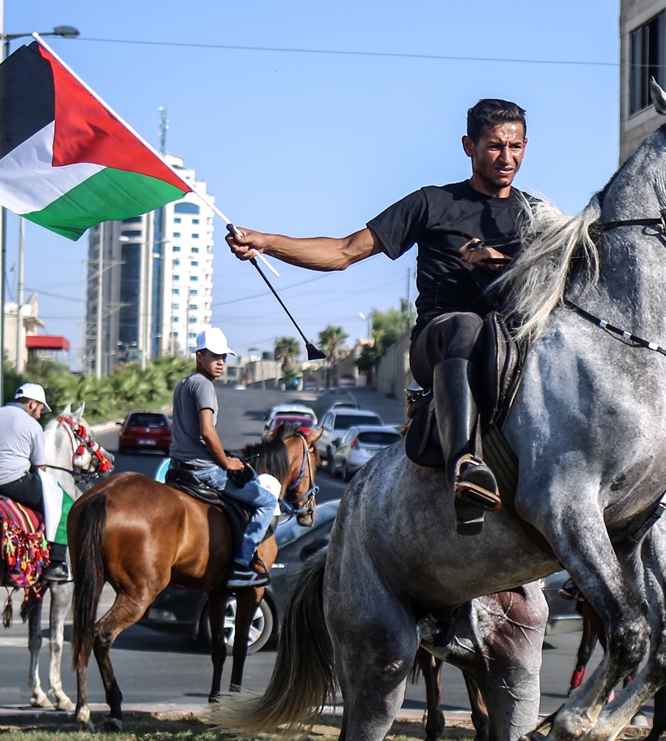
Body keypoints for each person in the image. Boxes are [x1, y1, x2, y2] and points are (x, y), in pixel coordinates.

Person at [226, 98, 536, 534]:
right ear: (469, 146)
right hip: (441, 340)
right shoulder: (432, 203)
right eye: (494, 146)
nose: (507, 158)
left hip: (509, 349)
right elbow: (342, 252)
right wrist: (266, 241)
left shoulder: (536, 216)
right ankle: (464, 466)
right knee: (467, 324)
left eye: (516, 146)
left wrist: (501, 263)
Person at [169, 327, 281, 588]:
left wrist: (226, 455)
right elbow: (207, 432)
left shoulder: (183, 384)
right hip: (203, 471)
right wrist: (226, 461)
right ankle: (241, 565)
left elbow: (194, 435)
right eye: (215, 356)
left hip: (177, 468)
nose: (221, 362)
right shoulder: (204, 385)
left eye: (225, 357)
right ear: (200, 356)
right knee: (265, 501)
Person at [0, 382, 69, 581]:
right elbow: (40, 469)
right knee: (62, 503)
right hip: (10, 483)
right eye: (39, 409)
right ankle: (56, 563)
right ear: (31, 404)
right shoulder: (32, 425)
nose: (39, 414)